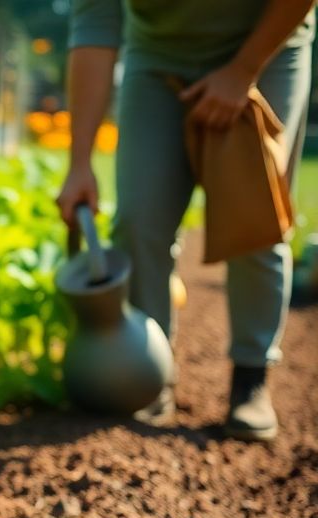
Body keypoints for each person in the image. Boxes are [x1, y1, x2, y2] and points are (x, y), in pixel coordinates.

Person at [57, 0, 315, 441]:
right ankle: (148, 375)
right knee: (138, 221)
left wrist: (242, 72)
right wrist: (79, 162)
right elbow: (95, 27)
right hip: (157, 59)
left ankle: (251, 378)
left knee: (254, 221)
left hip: (268, 48)